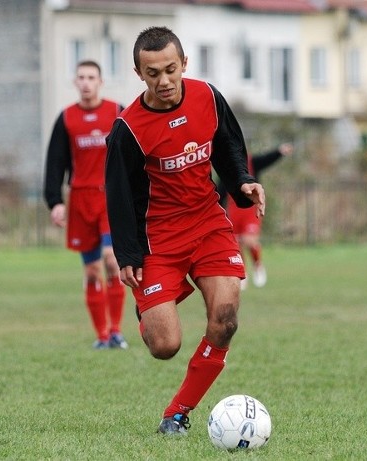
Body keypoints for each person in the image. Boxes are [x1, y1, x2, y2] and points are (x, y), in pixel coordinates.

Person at [105, 26, 265, 435]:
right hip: (158, 235)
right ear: (139, 74)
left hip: (208, 222)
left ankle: (178, 412)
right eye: (153, 73)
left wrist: (243, 182)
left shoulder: (207, 97)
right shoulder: (129, 129)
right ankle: (150, 305)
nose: (164, 81)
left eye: (171, 70)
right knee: (164, 346)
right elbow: (119, 196)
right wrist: (127, 255)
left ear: (184, 65)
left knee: (225, 318)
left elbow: (229, 147)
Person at [43, 60, 128, 350]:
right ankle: (101, 336)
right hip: (80, 199)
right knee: (92, 270)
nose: (86, 82)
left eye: (92, 77)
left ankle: (117, 331)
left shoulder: (118, 111)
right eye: (81, 77)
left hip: (110, 198)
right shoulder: (66, 118)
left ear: (101, 81)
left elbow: (136, 151)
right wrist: (55, 201)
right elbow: (54, 163)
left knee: (111, 260)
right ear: (75, 82)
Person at [218, 143, 293, 289]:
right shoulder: (226, 169)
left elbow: (267, 159)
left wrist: (279, 152)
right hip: (234, 211)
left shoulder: (253, 162)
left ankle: (258, 266)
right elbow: (220, 193)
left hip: (251, 209)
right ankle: (242, 272)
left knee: (249, 240)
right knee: (236, 243)